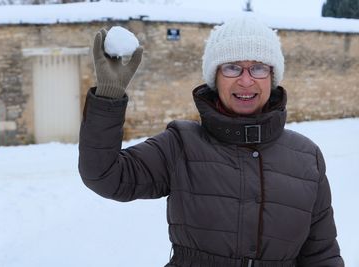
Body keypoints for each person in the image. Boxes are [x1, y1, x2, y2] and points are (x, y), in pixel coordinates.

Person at [78, 15, 344, 267]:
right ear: (214, 77)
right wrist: (109, 98)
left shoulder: (307, 157)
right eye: (232, 67)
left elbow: (322, 256)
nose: (246, 79)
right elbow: (105, 175)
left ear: (272, 78)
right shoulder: (181, 145)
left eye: (259, 67)